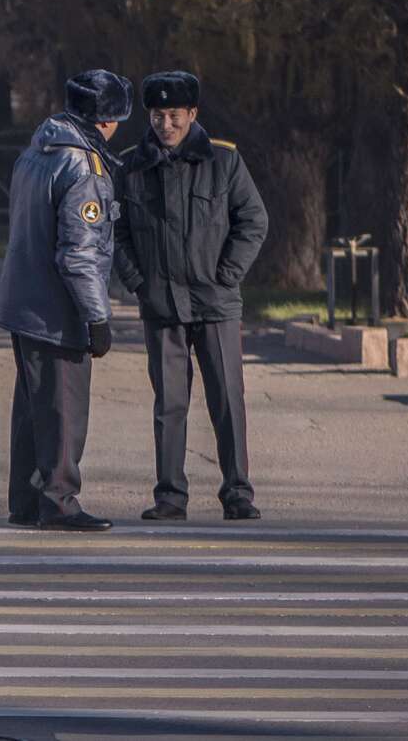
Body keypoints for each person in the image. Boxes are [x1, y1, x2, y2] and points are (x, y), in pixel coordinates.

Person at [113, 70, 269, 522]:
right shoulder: (132, 166)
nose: (166, 124)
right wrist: (138, 282)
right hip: (162, 305)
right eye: (159, 115)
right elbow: (117, 231)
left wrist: (227, 275)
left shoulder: (224, 161)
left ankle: (238, 492)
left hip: (215, 304)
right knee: (169, 405)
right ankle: (170, 496)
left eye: (175, 115)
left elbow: (253, 220)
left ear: (193, 114)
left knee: (227, 399)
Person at [0, 69, 131, 532]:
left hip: (22, 300)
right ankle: (59, 500)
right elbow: (79, 253)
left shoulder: (37, 151)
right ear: (106, 120)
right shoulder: (84, 168)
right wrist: (97, 317)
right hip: (57, 309)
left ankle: (25, 499)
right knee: (64, 411)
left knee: (32, 407)